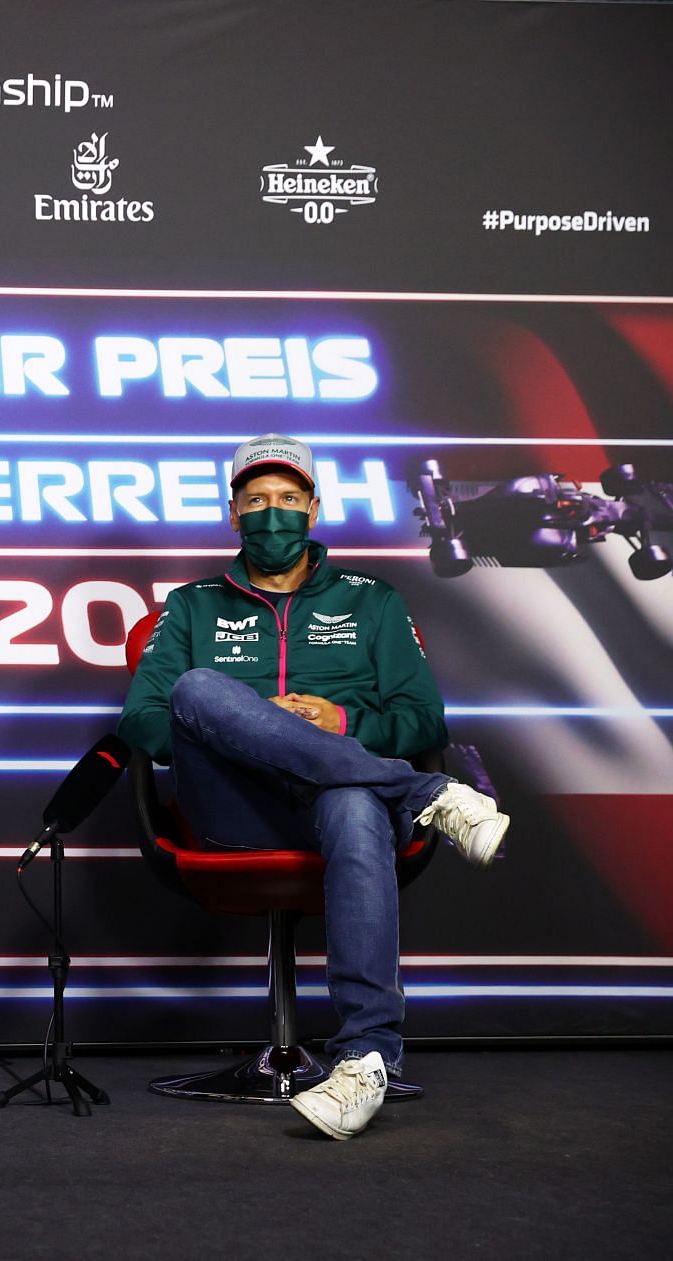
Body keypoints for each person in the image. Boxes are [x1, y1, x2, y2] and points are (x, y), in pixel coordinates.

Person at [118, 433, 510, 1140]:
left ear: (315, 508)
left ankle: (364, 1061)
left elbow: (424, 718)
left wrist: (340, 719)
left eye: (288, 499)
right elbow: (143, 721)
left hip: (342, 813)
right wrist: (255, 729)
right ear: (232, 513)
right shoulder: (190, 606)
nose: (273, 513)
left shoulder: (375, 601)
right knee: (200, 687)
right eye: (257, 500)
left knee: (353, 801)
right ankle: (425, 795)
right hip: (235, 810)